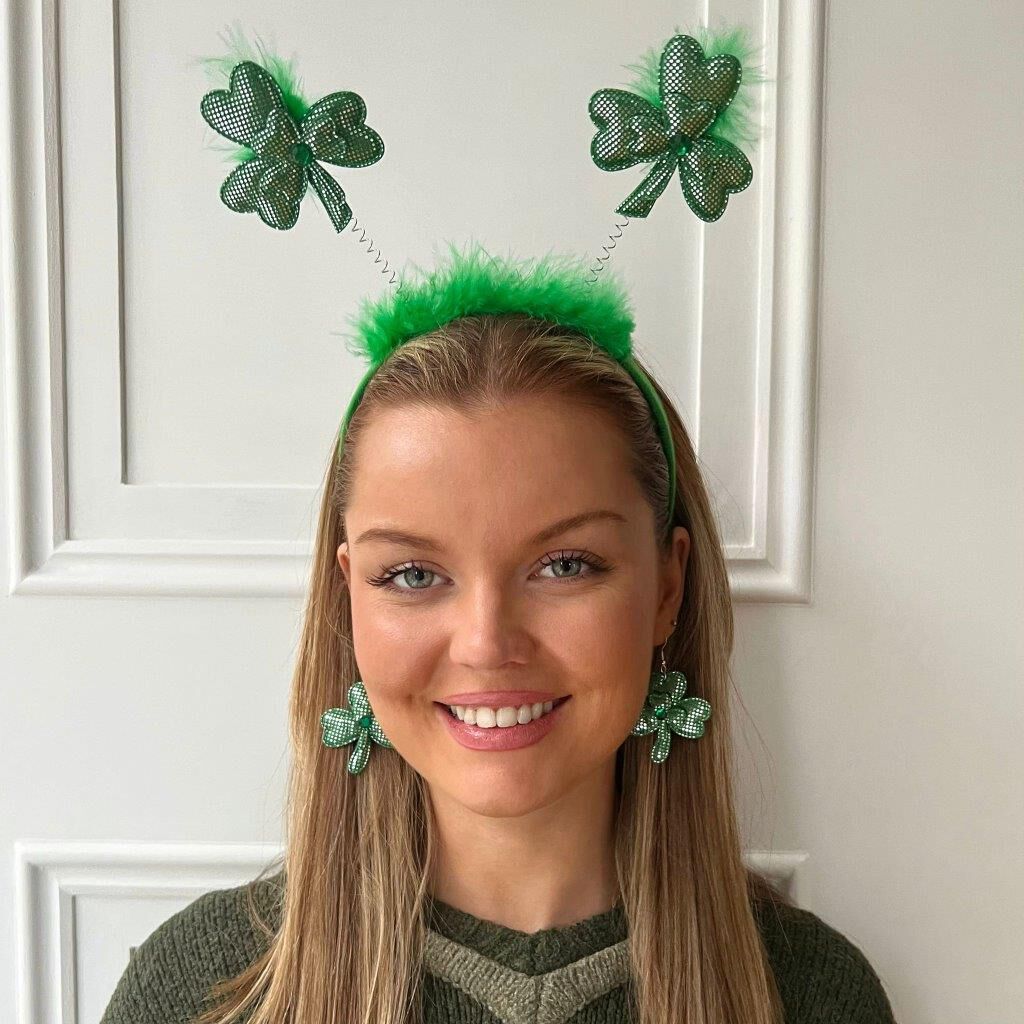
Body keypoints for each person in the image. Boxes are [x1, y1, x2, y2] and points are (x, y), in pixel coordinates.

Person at [100, 257, 900, 1023]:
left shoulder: (813, 995)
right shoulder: (197, 991)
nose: (486, 643)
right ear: (348, 600)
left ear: (666, 589)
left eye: (563, 564)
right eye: (412, 574)